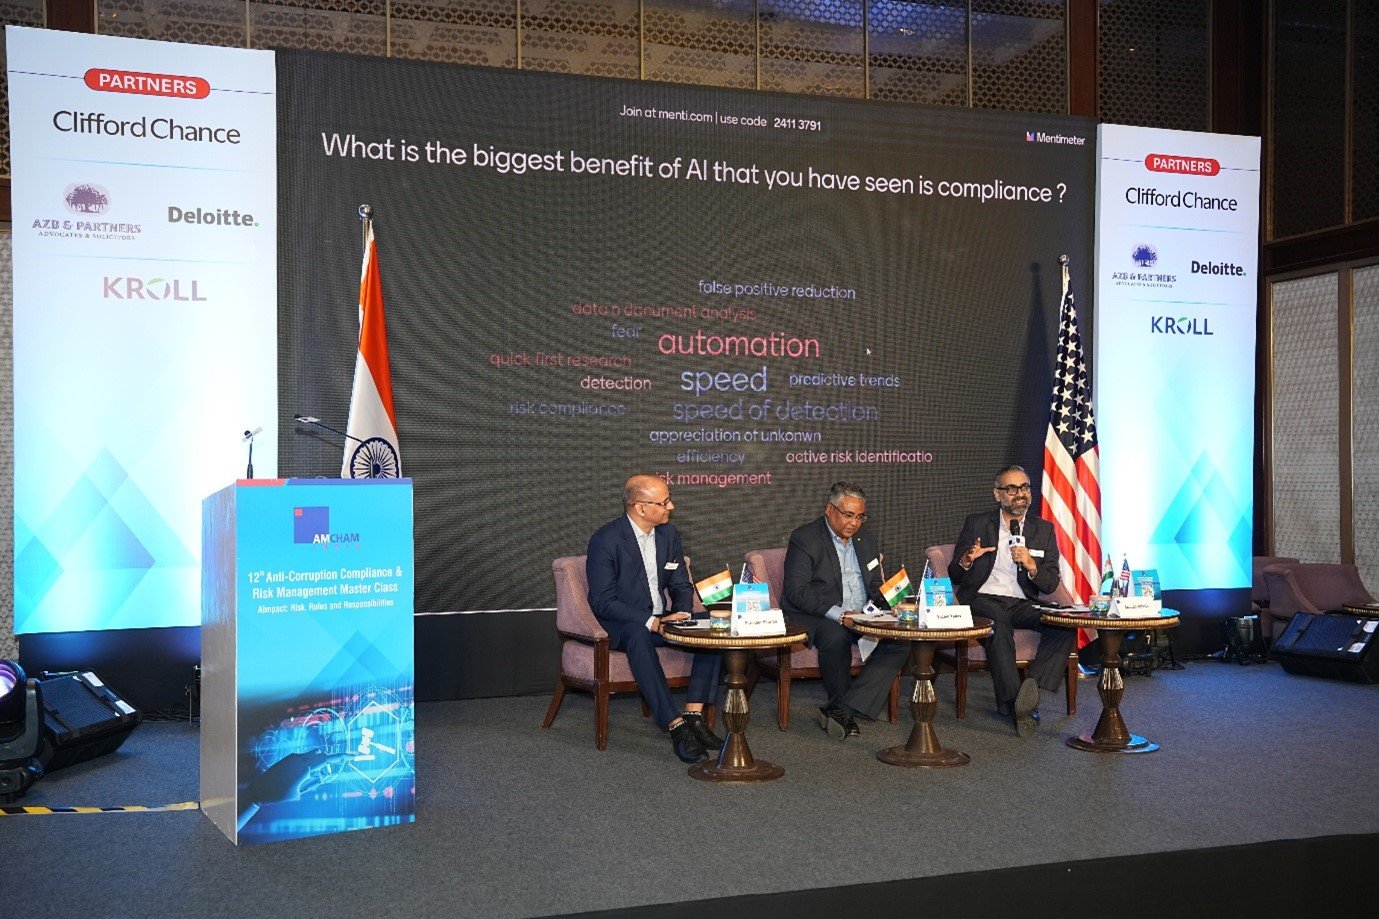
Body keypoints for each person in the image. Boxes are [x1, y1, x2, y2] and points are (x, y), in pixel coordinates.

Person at [586, 475, 723, 763]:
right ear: (640, 507)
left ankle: (694, 715)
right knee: (638, 634)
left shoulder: (668, 534)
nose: (671, 507)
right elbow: (602, 601)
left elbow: (680, 583)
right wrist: (649, 620)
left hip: (663, 618)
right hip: (625, 623)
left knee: (712, 628)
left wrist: (682, 613)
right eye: (664, 502)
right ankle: (675, 725)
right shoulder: (606, 540)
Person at [948, 464, 1076, 737]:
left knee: (1063, 622)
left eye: (1024, 487)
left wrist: (1031, 564)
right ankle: (1014, 706)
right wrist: (967, 560)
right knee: (999, 624)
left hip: (1021, 602)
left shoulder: (1043, 529)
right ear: (998, 494)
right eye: (1012, 488)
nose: (1020, 494)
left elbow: (1050, 583)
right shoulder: (977, 523)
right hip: (982, 597)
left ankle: (1029, 693)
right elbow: (954, 574)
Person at [781, 482, 909, 739]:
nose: (854, 523)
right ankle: (842, 706)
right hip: (819, 614)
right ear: (829, 509)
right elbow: (797, 590)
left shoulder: (866, 540)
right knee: (836, 636)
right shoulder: (805, 538)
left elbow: (874, 583)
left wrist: (890, 604)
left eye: (860, 516)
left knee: (902, 639)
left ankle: (842, 709)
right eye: (848, 515)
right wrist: (839, 615)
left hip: (863, 613)